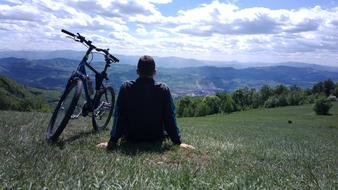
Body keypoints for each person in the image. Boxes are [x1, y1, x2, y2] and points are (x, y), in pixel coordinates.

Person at [97, 55, 194, 150]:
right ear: (154, 72)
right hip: (156, 138)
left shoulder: (125, 87)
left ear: (137, 71)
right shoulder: (163, 89)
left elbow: (119, 116)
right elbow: (169, 117)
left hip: (131, 137)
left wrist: (113, 140)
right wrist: (177, 142)